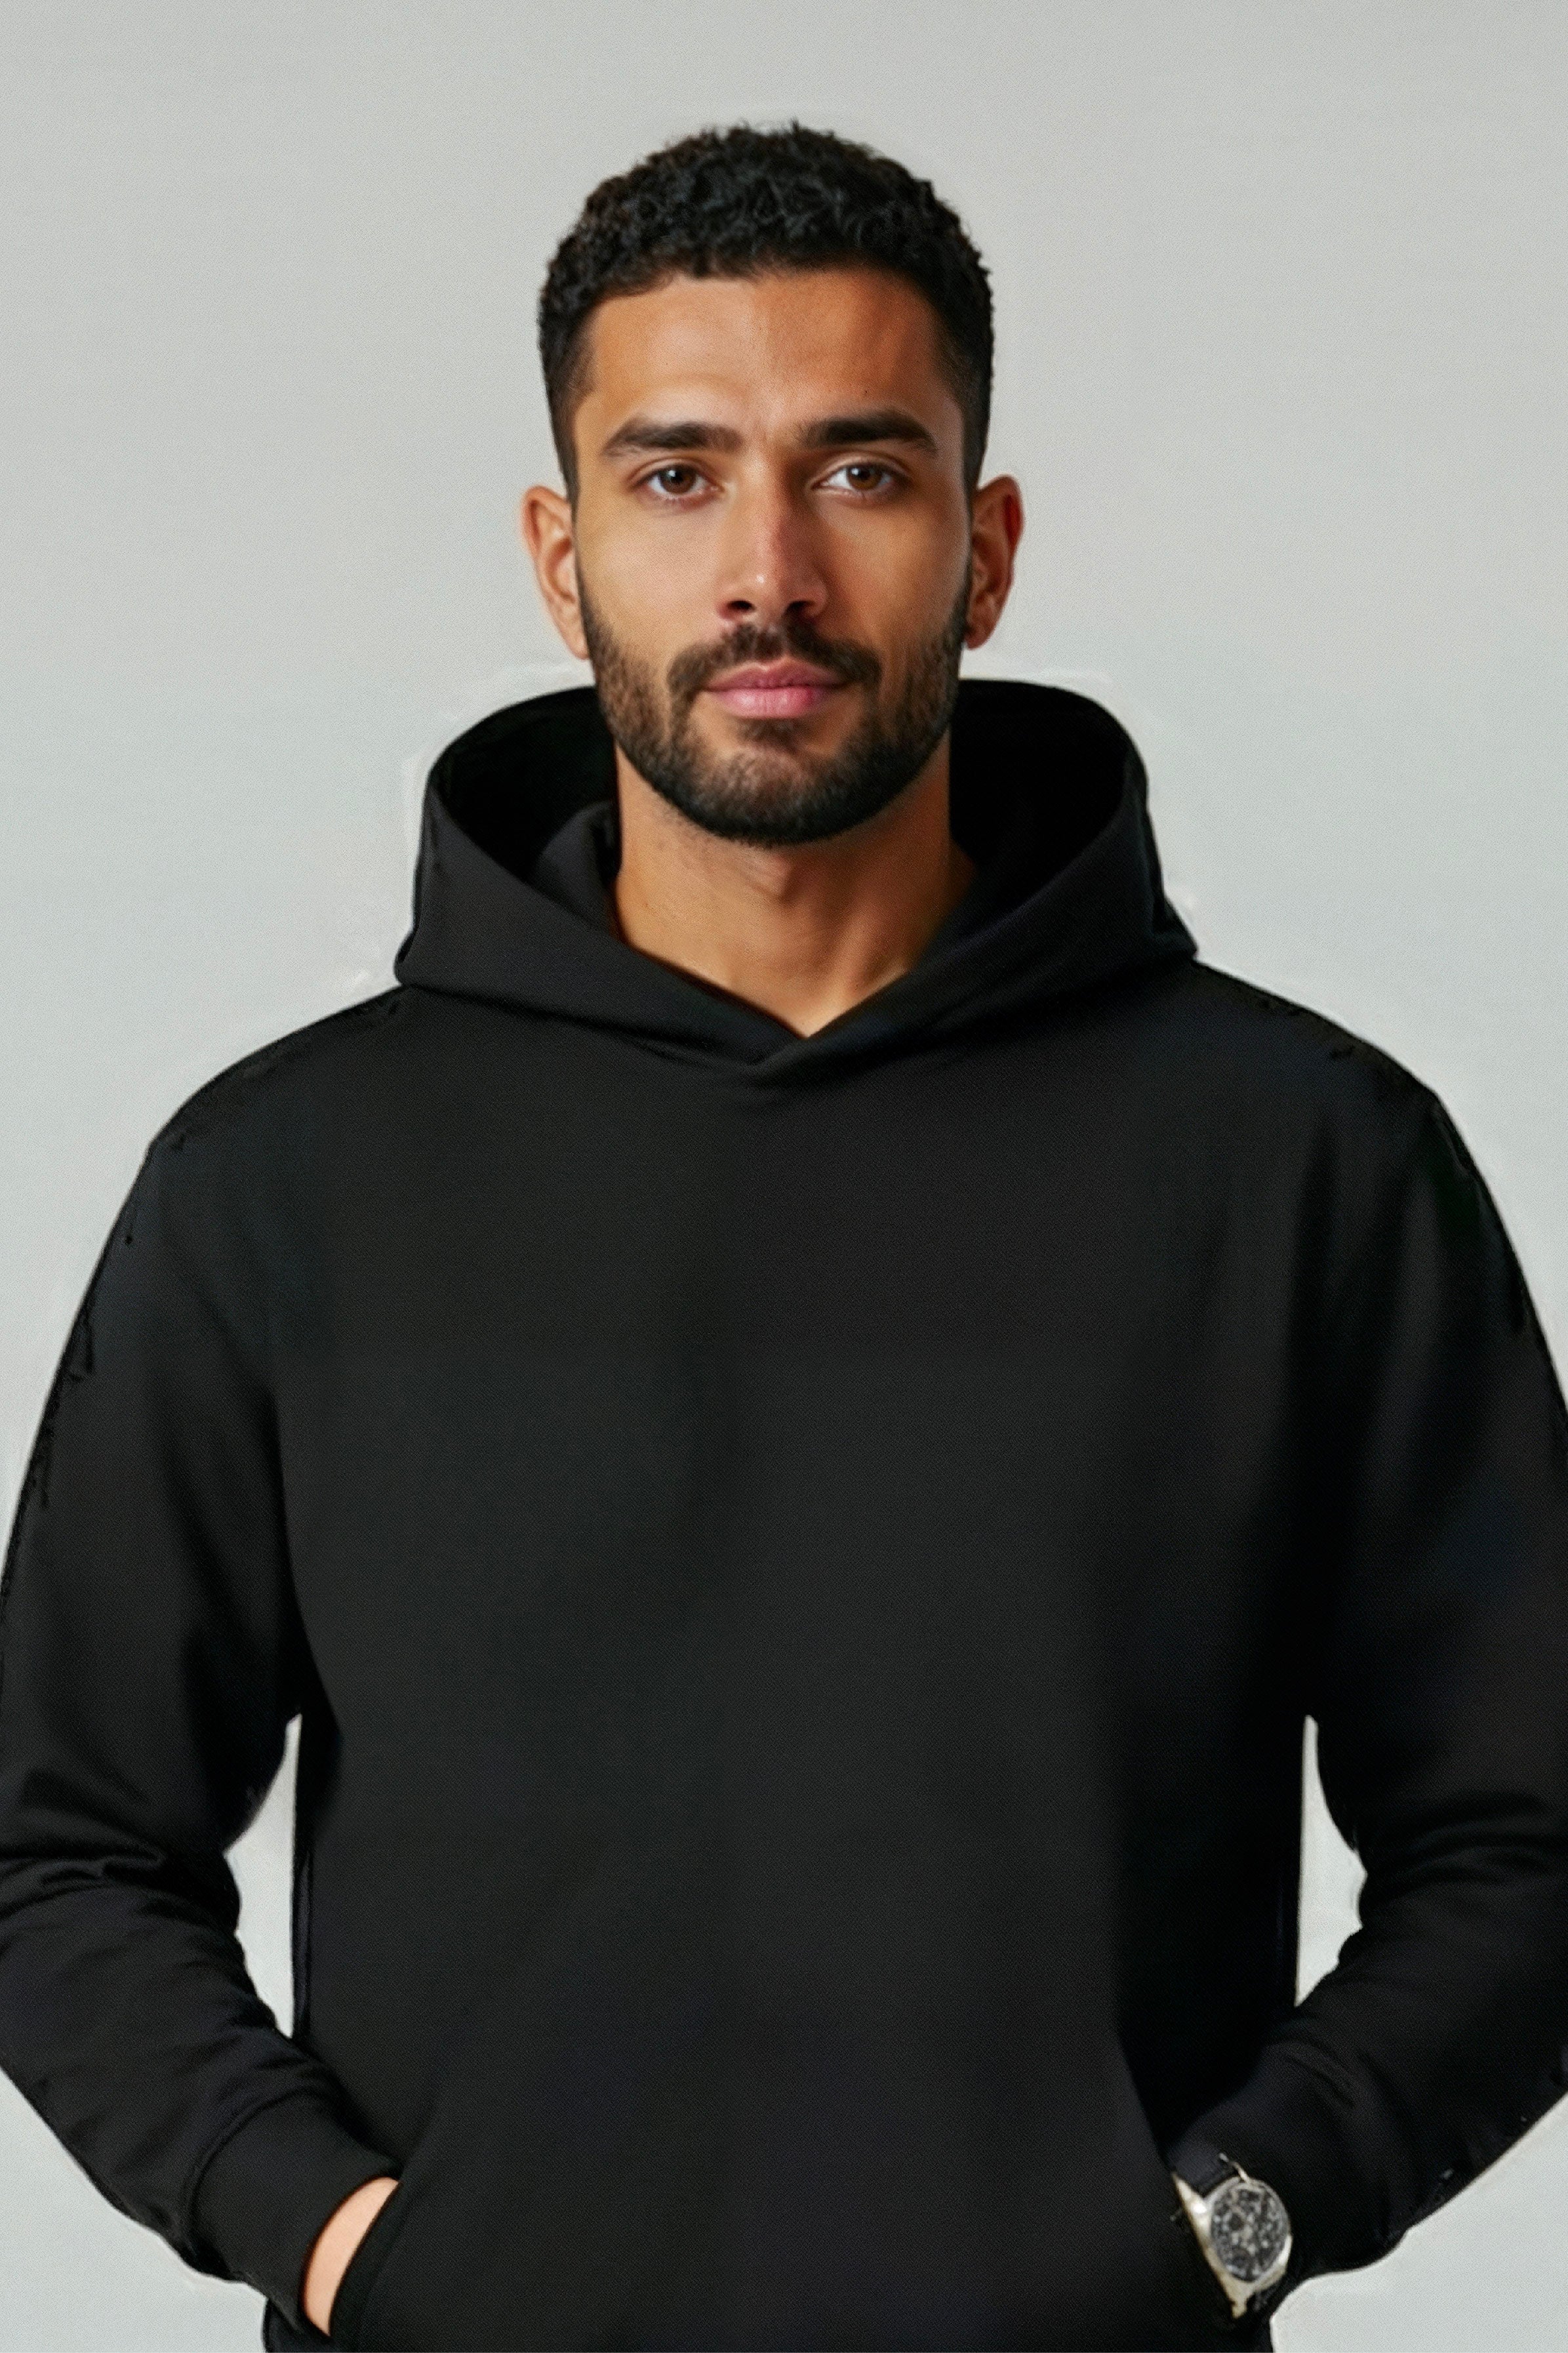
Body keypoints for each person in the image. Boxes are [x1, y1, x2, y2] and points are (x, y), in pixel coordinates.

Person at [1, 120, 1565, 2353]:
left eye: (861, 471)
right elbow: (55, 1850)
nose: (770, 570)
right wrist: (346, 2243)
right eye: (677, 475)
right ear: (561, 560)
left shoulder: (1309, 1164)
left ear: (984, 549)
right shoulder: (283, 1181)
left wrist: (1222, 2226)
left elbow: (1528, 1840)